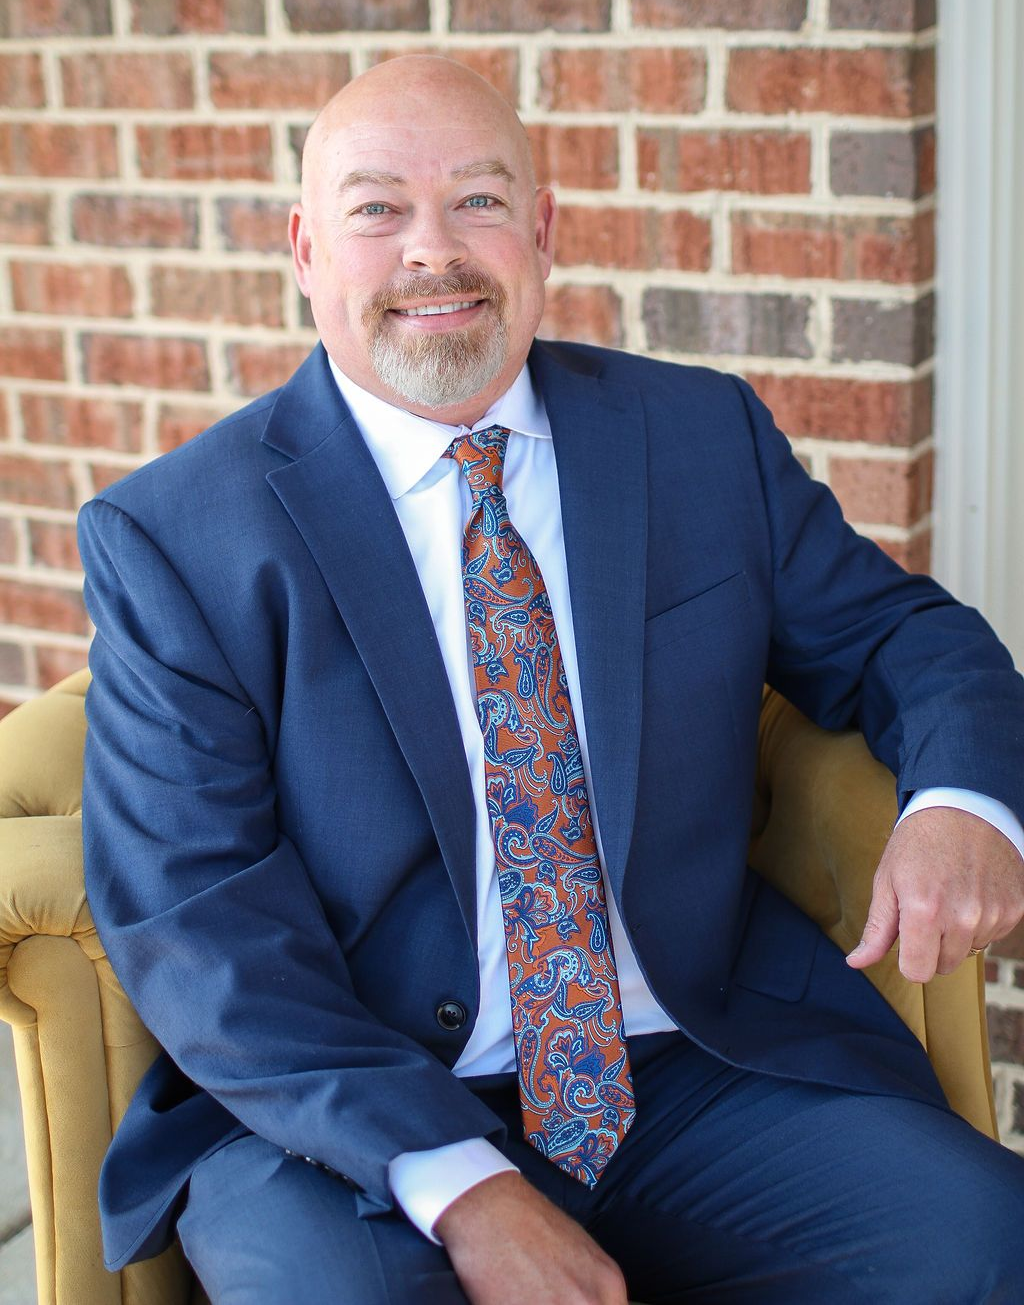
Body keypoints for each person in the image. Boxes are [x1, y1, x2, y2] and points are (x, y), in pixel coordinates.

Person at [78, 55, 1024, 1304]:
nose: (433, 251)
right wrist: (464, 1184)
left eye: (476, 200)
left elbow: (907, 635)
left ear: (542, 229)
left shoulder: (696, 438)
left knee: (982, 1236)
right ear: (306, 249)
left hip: (687, 1054)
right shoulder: (179, 538)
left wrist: (962, 802)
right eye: (377, 210)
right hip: (340, 1113)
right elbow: (195, 915)